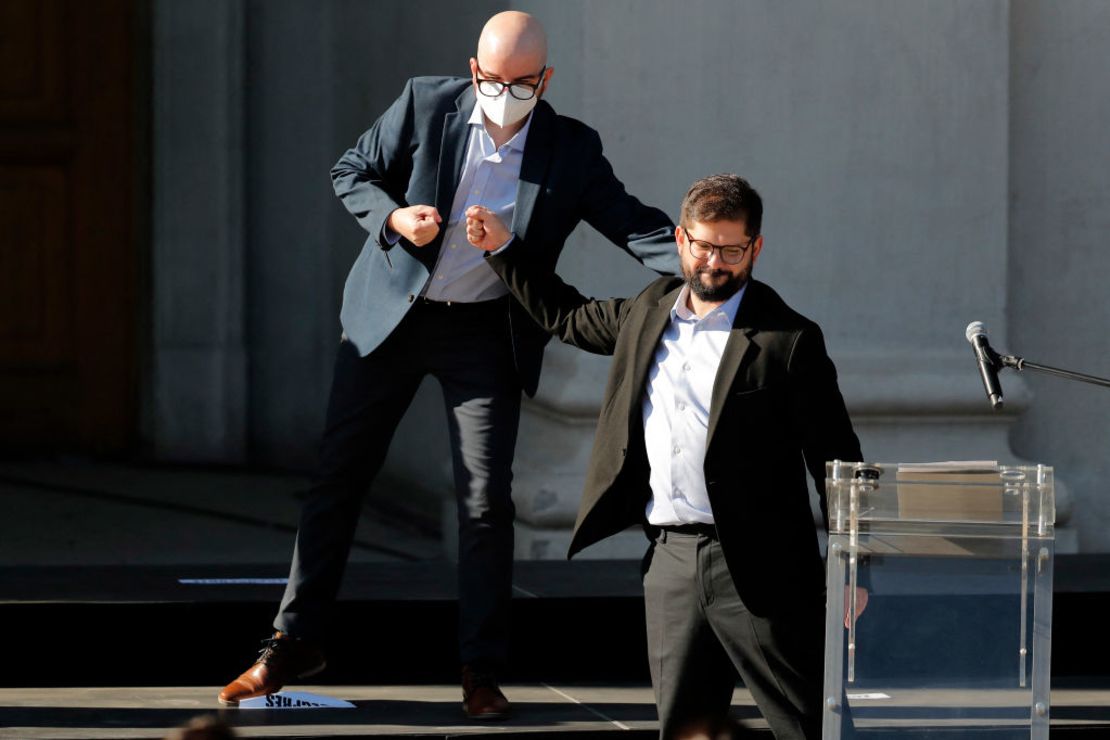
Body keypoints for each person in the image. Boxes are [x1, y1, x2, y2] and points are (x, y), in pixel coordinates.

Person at [217, 11, 677, 719]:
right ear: (473, 72)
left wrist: (704, 269)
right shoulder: (424, 104)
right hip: (392, 318)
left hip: (486, 335)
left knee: (486, 503)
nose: (504, 94)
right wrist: (395, 218)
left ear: (545, 80)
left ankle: (481, 669)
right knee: (338, 478)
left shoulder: (569, 148)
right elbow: (352, 170)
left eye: (521, 84)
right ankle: (290, 642)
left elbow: (633, 222)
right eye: (492, 80)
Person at [467, 174, 863, 739]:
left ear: (756, 248)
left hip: (764, 567)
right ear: (681, 240)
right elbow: (564, 314)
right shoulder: (647, 312)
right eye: (704, 246)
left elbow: (837, 456)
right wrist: (504, 249)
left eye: (731, 250)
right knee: (686, 728)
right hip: (671, 561)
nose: (715, 263)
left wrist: (856, 564)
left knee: (811, 726)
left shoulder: (789, 339)